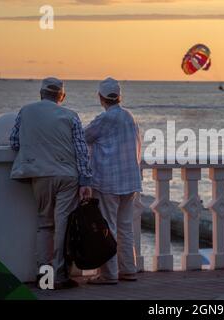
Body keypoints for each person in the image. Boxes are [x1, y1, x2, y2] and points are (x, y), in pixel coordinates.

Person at [9, 77, 92, 290]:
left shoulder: (25, 111)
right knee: (62, 225)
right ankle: (61, 276)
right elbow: (82, 151)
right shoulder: (71, 115)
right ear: (61, 96)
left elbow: (15, 142)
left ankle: (43, 275)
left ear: (40, 93)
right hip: (67, 175)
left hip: (40, 173)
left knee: (45, 224)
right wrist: (85, 180)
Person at [85, 77, 142, 285]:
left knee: (107, 226)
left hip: (109, 181)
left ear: (101, 97)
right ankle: (129, 269)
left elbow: (83, 137)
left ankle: (109, 274)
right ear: (119, 96)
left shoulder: (104, 119)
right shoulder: (130, 116)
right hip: (131, 180)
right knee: (125, 227)